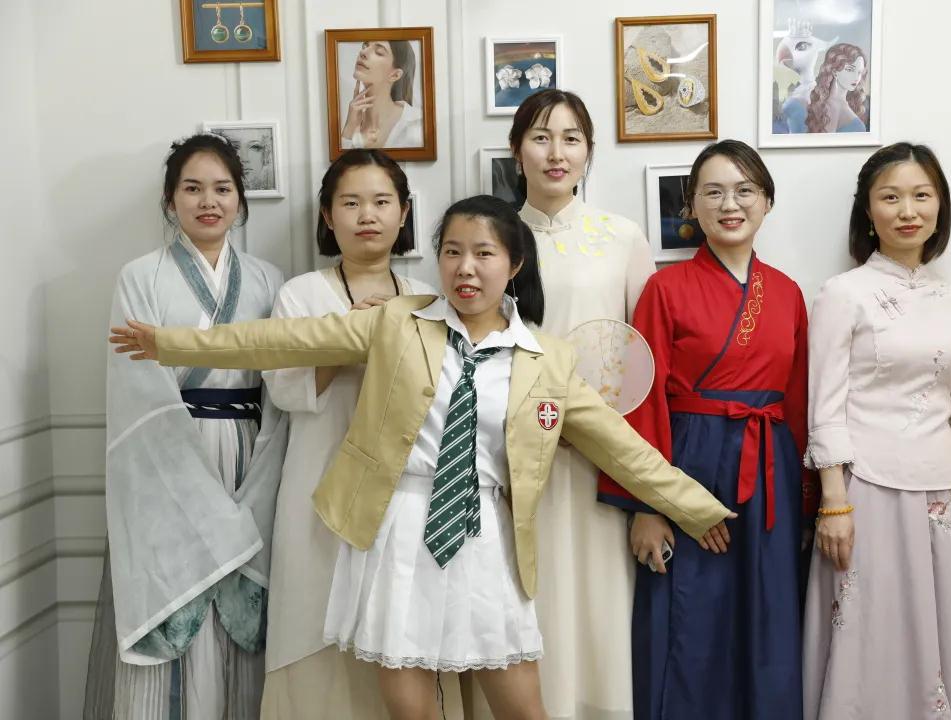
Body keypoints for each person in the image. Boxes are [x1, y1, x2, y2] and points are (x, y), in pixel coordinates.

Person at [109, 194, 738, 718]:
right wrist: (170, 344)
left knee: (522, 705)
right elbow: (281, 340)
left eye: (484, 253)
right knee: (410, 708)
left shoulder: (547, 359)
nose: (466, 268)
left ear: (514, 264)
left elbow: (621, 446)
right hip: (399, 530)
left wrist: (696, 508)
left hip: (486, 535)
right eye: (452, 251)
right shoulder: (396, 322)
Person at [599, 140, 815, 719]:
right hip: (687, 462)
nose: (730, 204)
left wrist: (806, 502)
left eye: (745, 191)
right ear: (690, 205)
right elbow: (641, 400)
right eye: (713, 192)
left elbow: (797, 403)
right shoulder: (664, 289)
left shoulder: (789, 293)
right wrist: (648, 507)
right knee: (689, 619)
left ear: (767, 201)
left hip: (769, 471)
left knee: (768, 618)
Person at [83, 133, 286, 719]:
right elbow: (137, 392)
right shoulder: (139, 277)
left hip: (249, 458)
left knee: (241, 612)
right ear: (170, 200)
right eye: (192, 189)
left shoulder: (269, 281)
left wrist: (257, 490)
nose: (208, 202)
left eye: (222, 189)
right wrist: (196, 495)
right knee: (178, 600)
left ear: (240, 199)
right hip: (169, 462)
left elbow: (282, 389)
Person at [803, 142, 951, 720]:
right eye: (890, 197)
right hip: (866, 493)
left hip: (945, 494)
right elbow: (825, 406)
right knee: (872, 638)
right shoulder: (843, 293)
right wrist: (834, 503)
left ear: (940, 206)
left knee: (947, 637)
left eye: (922, 195)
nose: (908, 211)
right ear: (868, 211)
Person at [258, 149, 442, 719]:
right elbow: (285, 391)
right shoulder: (300, 294)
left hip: (405, 493)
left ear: (404, 212)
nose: (367, 215)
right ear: (327, 215)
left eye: (382, 202)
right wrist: (352, 334)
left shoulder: (427, 296)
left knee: (396, 632)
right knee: (311, 619)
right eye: (351, 202)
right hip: (318, 482)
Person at [504, 87, 655, 720]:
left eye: (571, 139)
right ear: (517, 151)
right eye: (540, 138)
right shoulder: (492, 235)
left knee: (598, 601)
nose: (556, 153)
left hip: (598, 455)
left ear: (589, 151)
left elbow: (645, 356)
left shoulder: (621, 237)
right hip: (510, 453)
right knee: (521, 598)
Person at [341, 40, 423, 150]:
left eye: (379, 52)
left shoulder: (417, 124)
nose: (363, 52)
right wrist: (349, 129)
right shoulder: (350, 120)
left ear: (395, 75)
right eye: (365, 46)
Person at [804, 43, 868, 133]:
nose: (856, 77)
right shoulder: (816, 104)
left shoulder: (855, 118)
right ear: (834, 71)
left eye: (860, 72)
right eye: (850, 69)